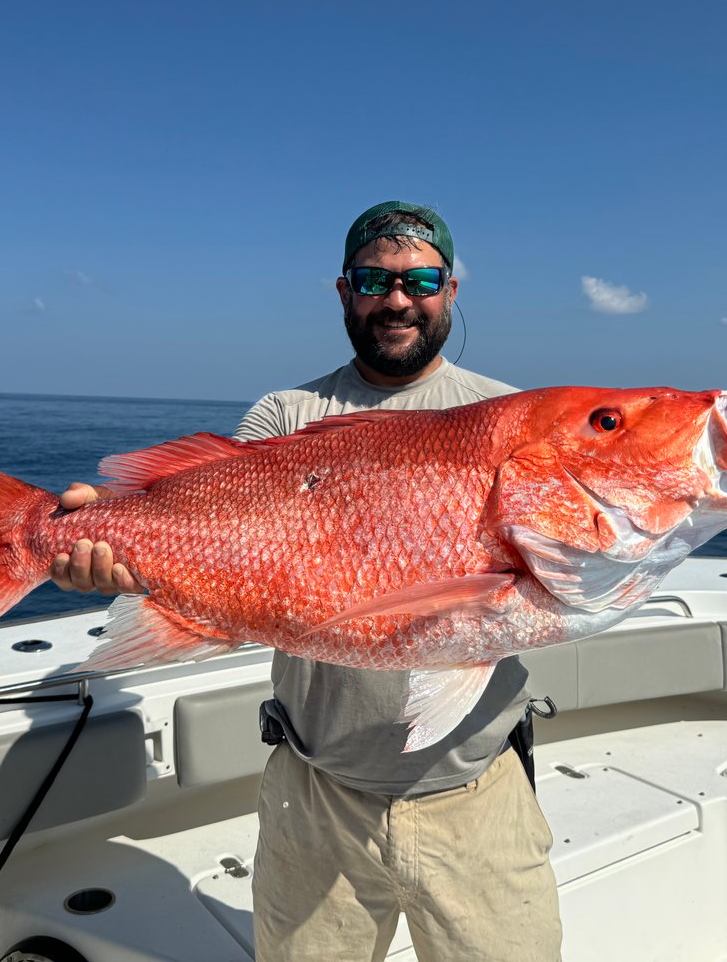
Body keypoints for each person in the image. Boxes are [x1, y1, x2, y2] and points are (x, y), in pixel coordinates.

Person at [51, 201, 562, 961]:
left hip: (478, 794)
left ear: (450, 291)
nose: (396, 299)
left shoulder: (505, 418)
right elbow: (208, 525)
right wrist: (103, 543)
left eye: (419, 280)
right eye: (373, 280)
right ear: (343, 291)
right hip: (313, 799)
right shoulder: (286, 414)